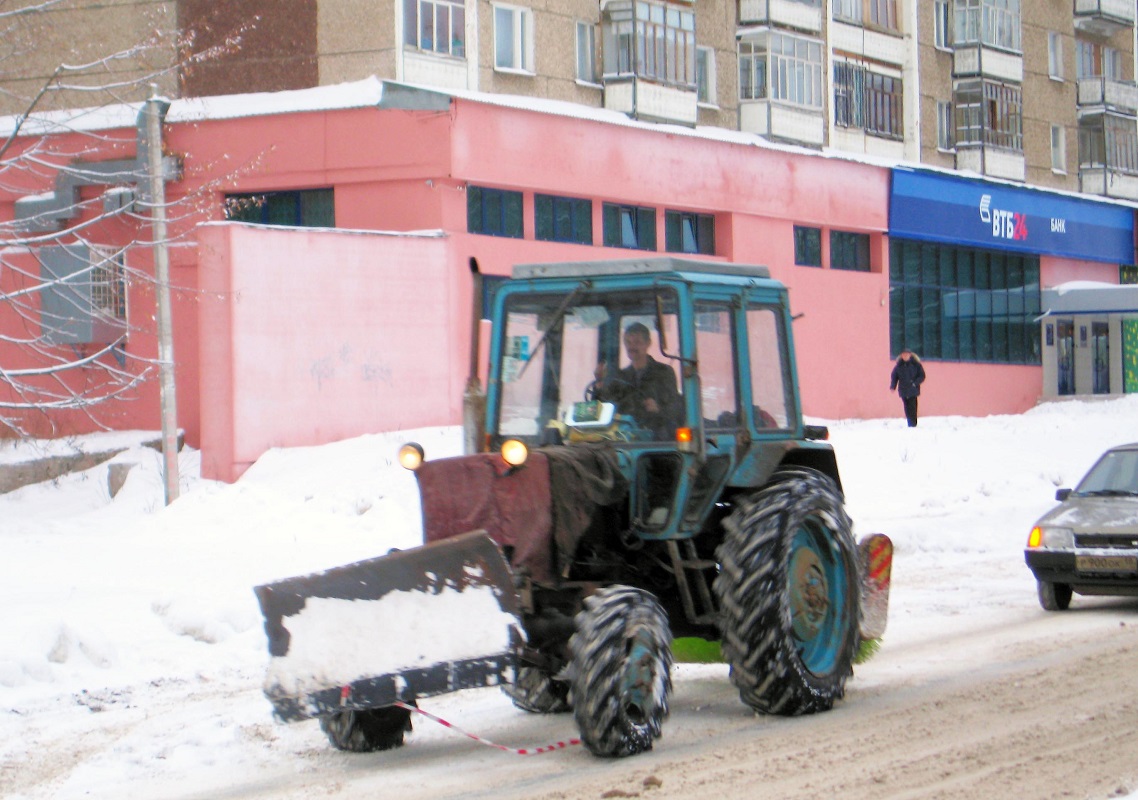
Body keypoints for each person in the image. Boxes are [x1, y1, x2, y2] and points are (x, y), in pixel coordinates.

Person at [591, 322, 681, 438]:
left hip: (657, 439)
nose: (632, 347)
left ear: (648, 343)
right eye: (628, 343)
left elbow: (676, 408)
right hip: (626, 437)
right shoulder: (620, 377)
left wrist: (658, 409)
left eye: (637, 342)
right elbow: (603, 408)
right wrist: (599, 384)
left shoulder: (664, 372)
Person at [890, 346, 926, 427]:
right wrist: (893, 386)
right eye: (903, 354)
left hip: (913, 390)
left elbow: (922, 376)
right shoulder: (899, 366)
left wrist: (915, 383)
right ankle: (910, 422)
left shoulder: (916, 365)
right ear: (901, 356)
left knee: (913, 407)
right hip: (903, 390)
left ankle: (913, 423)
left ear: (910, 355)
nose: (905, 356)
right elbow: (894, 377)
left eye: (907, 354)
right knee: (906, 407)